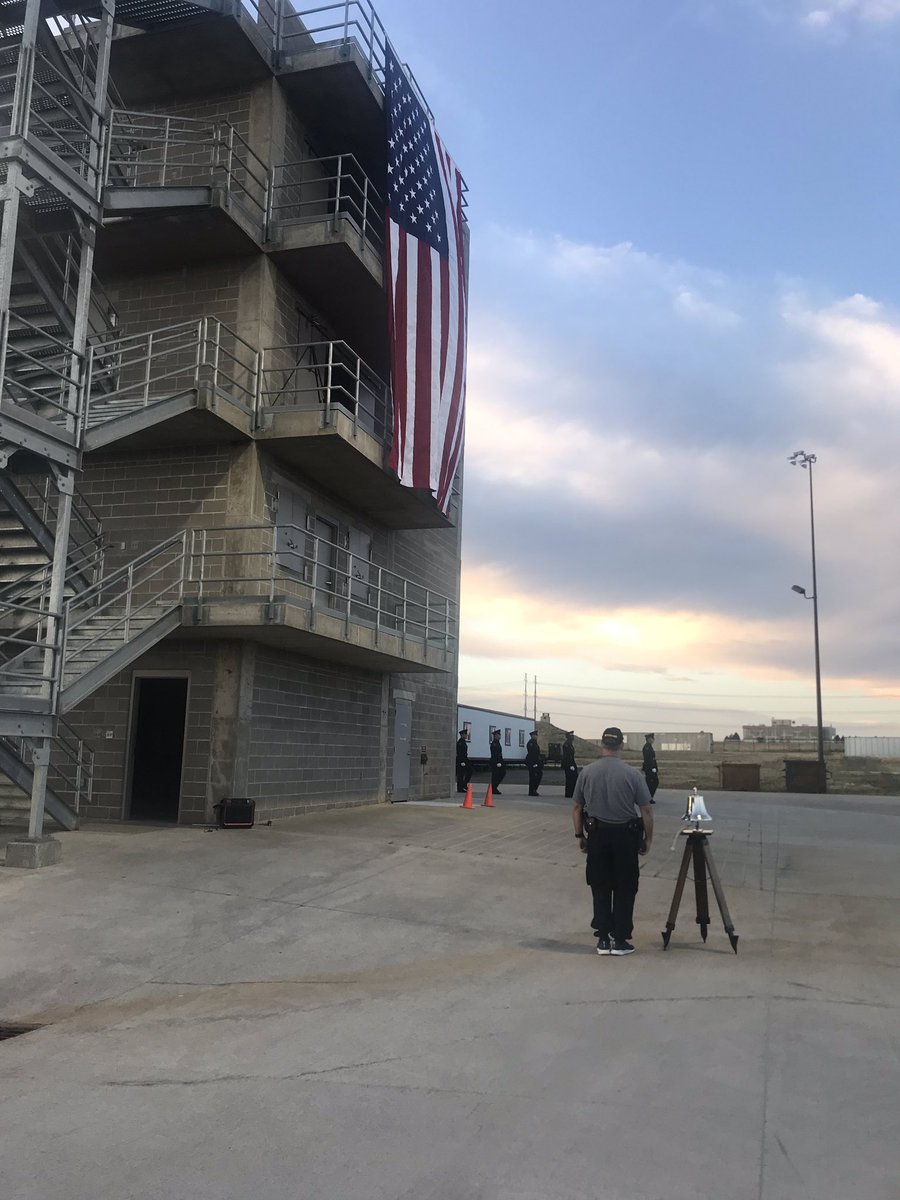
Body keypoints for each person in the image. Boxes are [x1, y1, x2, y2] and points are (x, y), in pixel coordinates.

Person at [572, 725, 653, 955]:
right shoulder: (633, 774)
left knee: (600, 885)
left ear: (601, 744)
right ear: (621, 745)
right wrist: (648, 839)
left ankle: (603, 939)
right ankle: (620, 939)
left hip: (597, 836)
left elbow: (577, 807)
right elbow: (646, 810)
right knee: (625, 887)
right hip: (625, 838)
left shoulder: (586, 772)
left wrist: (580, 836)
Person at [561, 730, 579, 798]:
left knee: (573, 778)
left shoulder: (570, 744)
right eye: (571, 736)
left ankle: (571, 792)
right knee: (570, 779)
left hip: (571, 763)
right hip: (568, 764)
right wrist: (570, 765)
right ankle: (569, 793)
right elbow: (567, 756)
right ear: (568, 737)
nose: (573, 737)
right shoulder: (567, 744)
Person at [642, 732, 659, 803]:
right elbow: (648, 759)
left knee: (652, 783)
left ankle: (649, 797)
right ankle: (648, 798)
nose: (653, 740)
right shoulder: (647, 747)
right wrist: (652, 768)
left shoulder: (649, 747)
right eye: (652, 738)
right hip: (649, 769)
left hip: (651, 768)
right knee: (652, 783)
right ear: (649, 739)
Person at [525, 730, 543, 796]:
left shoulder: (535, 743)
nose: (536, 736)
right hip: (532, 763)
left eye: (536, 735)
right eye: (535, 735)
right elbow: (532, 754)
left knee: (538, 774)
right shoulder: (531, 743)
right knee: (533, 777)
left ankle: (534, 789)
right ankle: (532, 791)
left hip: (536, 762)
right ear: (532, 736)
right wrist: (534, 764)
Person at [455, 729, 473, 794]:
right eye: (465, 734)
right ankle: (460, 788)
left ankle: (464, 784)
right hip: (461, 760)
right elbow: (459, 753)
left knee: (470, 771)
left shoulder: (463, 742)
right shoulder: (460, 742)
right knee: (460, 774)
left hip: (465, 759)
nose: (466, 735)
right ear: (462, 735)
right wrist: (461, 761)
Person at [489, 728, 506, 795]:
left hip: (499, 761)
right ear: (495, 736)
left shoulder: (497, 743)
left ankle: (494, 787)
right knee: (495, 775)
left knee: (502, 773)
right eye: (498, 735)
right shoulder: (494, 744)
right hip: (495, 762)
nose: (499, 736)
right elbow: (494, 754)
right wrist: (497, 762)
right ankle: (493, 788)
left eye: (499, 735)